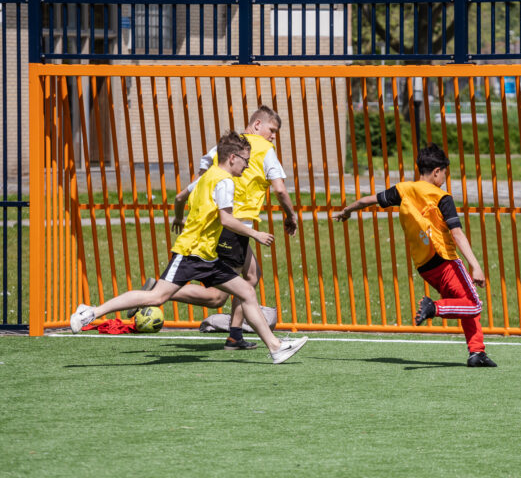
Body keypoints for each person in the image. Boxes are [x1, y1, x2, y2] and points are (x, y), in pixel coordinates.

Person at [70, 131, 308, 364]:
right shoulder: (224, 181)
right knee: (156, 297)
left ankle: (275, 347)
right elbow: (227, 220)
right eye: (246, 160)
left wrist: (179, 217)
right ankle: (91, 312)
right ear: (232, 158)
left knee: (246, 291)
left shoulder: (208, 176)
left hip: (206, 255)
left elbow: (181, 198)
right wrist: (254, 233)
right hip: (190, 253)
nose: (247, 166)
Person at [130, 106, 297, 352]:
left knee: (251, 277)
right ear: (257, 124)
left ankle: (235, 335)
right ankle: (161, 291)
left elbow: (201, 173)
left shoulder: (226, 147)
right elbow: (280, 189)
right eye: (272, 130)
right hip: (233, 225)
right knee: (219, 297)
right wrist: (290, 215)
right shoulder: (264, 150)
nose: (273, 136)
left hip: (225, 225)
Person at [332, 143, 496, 368]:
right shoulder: (442, 197)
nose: (445, 179)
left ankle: (477, 352)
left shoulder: (404, 190)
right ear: (437, 171)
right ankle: (434, 308)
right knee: (474, 304)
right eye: (445, 174)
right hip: (446, 260)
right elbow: (456, 232)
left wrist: (347, 210)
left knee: (463, 303)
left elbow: (367, 200)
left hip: (425, 267)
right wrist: (475, 265)